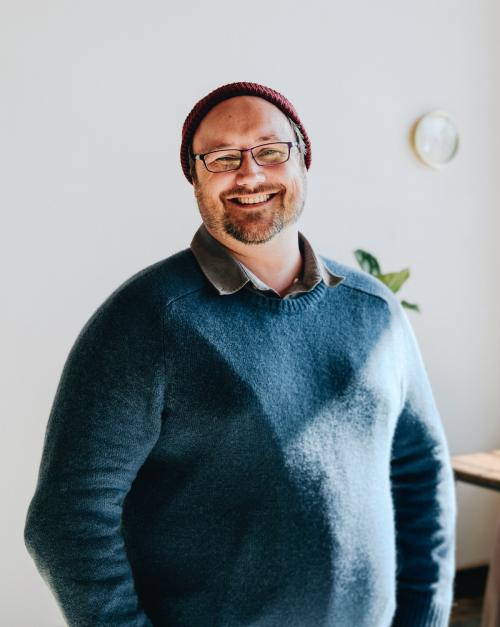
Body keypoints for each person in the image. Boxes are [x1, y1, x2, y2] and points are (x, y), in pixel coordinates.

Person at [24, 81, 456, 627]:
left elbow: (421, 471)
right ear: (195, 179)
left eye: (271, 151)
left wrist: (424, 616)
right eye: (223, 158)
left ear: (303, 160)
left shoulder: (375, 312)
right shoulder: (146, 321)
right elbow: (66, 519)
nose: (250, 174)